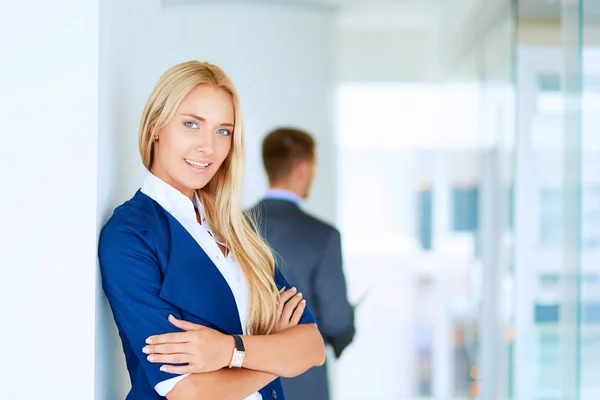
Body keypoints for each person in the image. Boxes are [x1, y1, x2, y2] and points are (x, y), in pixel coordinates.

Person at [98, 61, 325, 400]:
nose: (208, 147)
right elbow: (190, 392)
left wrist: (228, 350)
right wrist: (274, 354)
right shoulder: (131, 236)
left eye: (223, 131)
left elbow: (312, 347)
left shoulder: (235, 231)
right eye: (192, 124)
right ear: (156, 126)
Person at [249, 127, 355, 400]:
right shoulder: (323, 236)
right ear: (302, 167)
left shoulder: (231, 228)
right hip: (303, 381)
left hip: (241, 380)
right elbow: (336, 319)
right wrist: (345, 330)